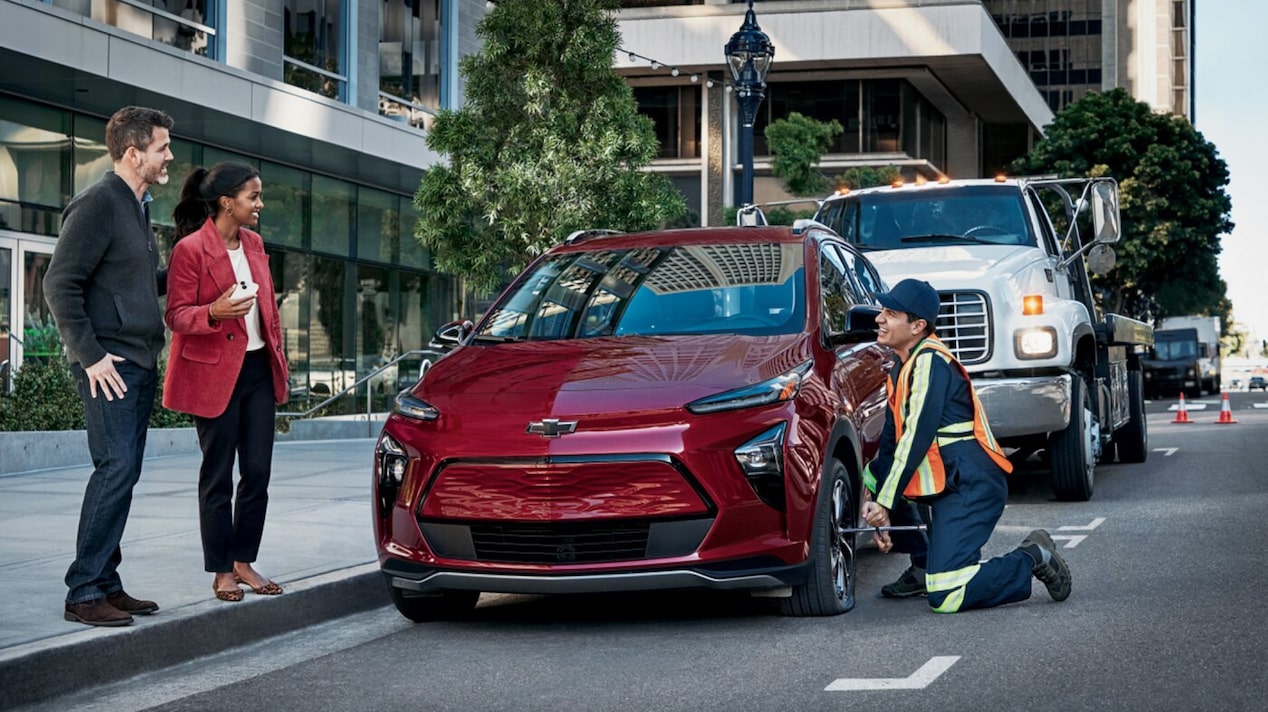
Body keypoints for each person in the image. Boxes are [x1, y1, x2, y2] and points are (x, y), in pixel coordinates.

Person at [860, 278, 1072, 613]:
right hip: (949, 482)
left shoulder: (931, 361)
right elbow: (891, 444)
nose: (879, 318)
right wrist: (876, 501)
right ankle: (925, 565)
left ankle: (1032, 556)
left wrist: (886, 502)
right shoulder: (901, 368)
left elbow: (916, 437)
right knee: (876, 472)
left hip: (971, 484)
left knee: (946, 595)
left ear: (917, 326)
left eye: (890, 312)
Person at [44, 106, 174, 627]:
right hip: (110, 363)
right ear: (133, 152)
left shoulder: (137, 208)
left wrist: (192, 264)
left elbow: (139, 284)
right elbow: (59, 284)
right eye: (162, 147)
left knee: (126, 471)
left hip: (139, 359)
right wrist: (91, 356)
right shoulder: (99, 203)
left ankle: (107, 581)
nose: (169, 156)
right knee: (115, 468)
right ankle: (84, 590)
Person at [165, 162, 290, 602]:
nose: (259, 204)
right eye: (252, 197)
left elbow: (267, 310)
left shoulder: (255, 244)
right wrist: (213, 313)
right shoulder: (191, 250)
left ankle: (243, 561)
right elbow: (176, 314)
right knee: (217, 475)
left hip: (257, 370)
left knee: (257, 473)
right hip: (213, 373)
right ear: (226, 202)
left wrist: (279, 359)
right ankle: (221, 570)